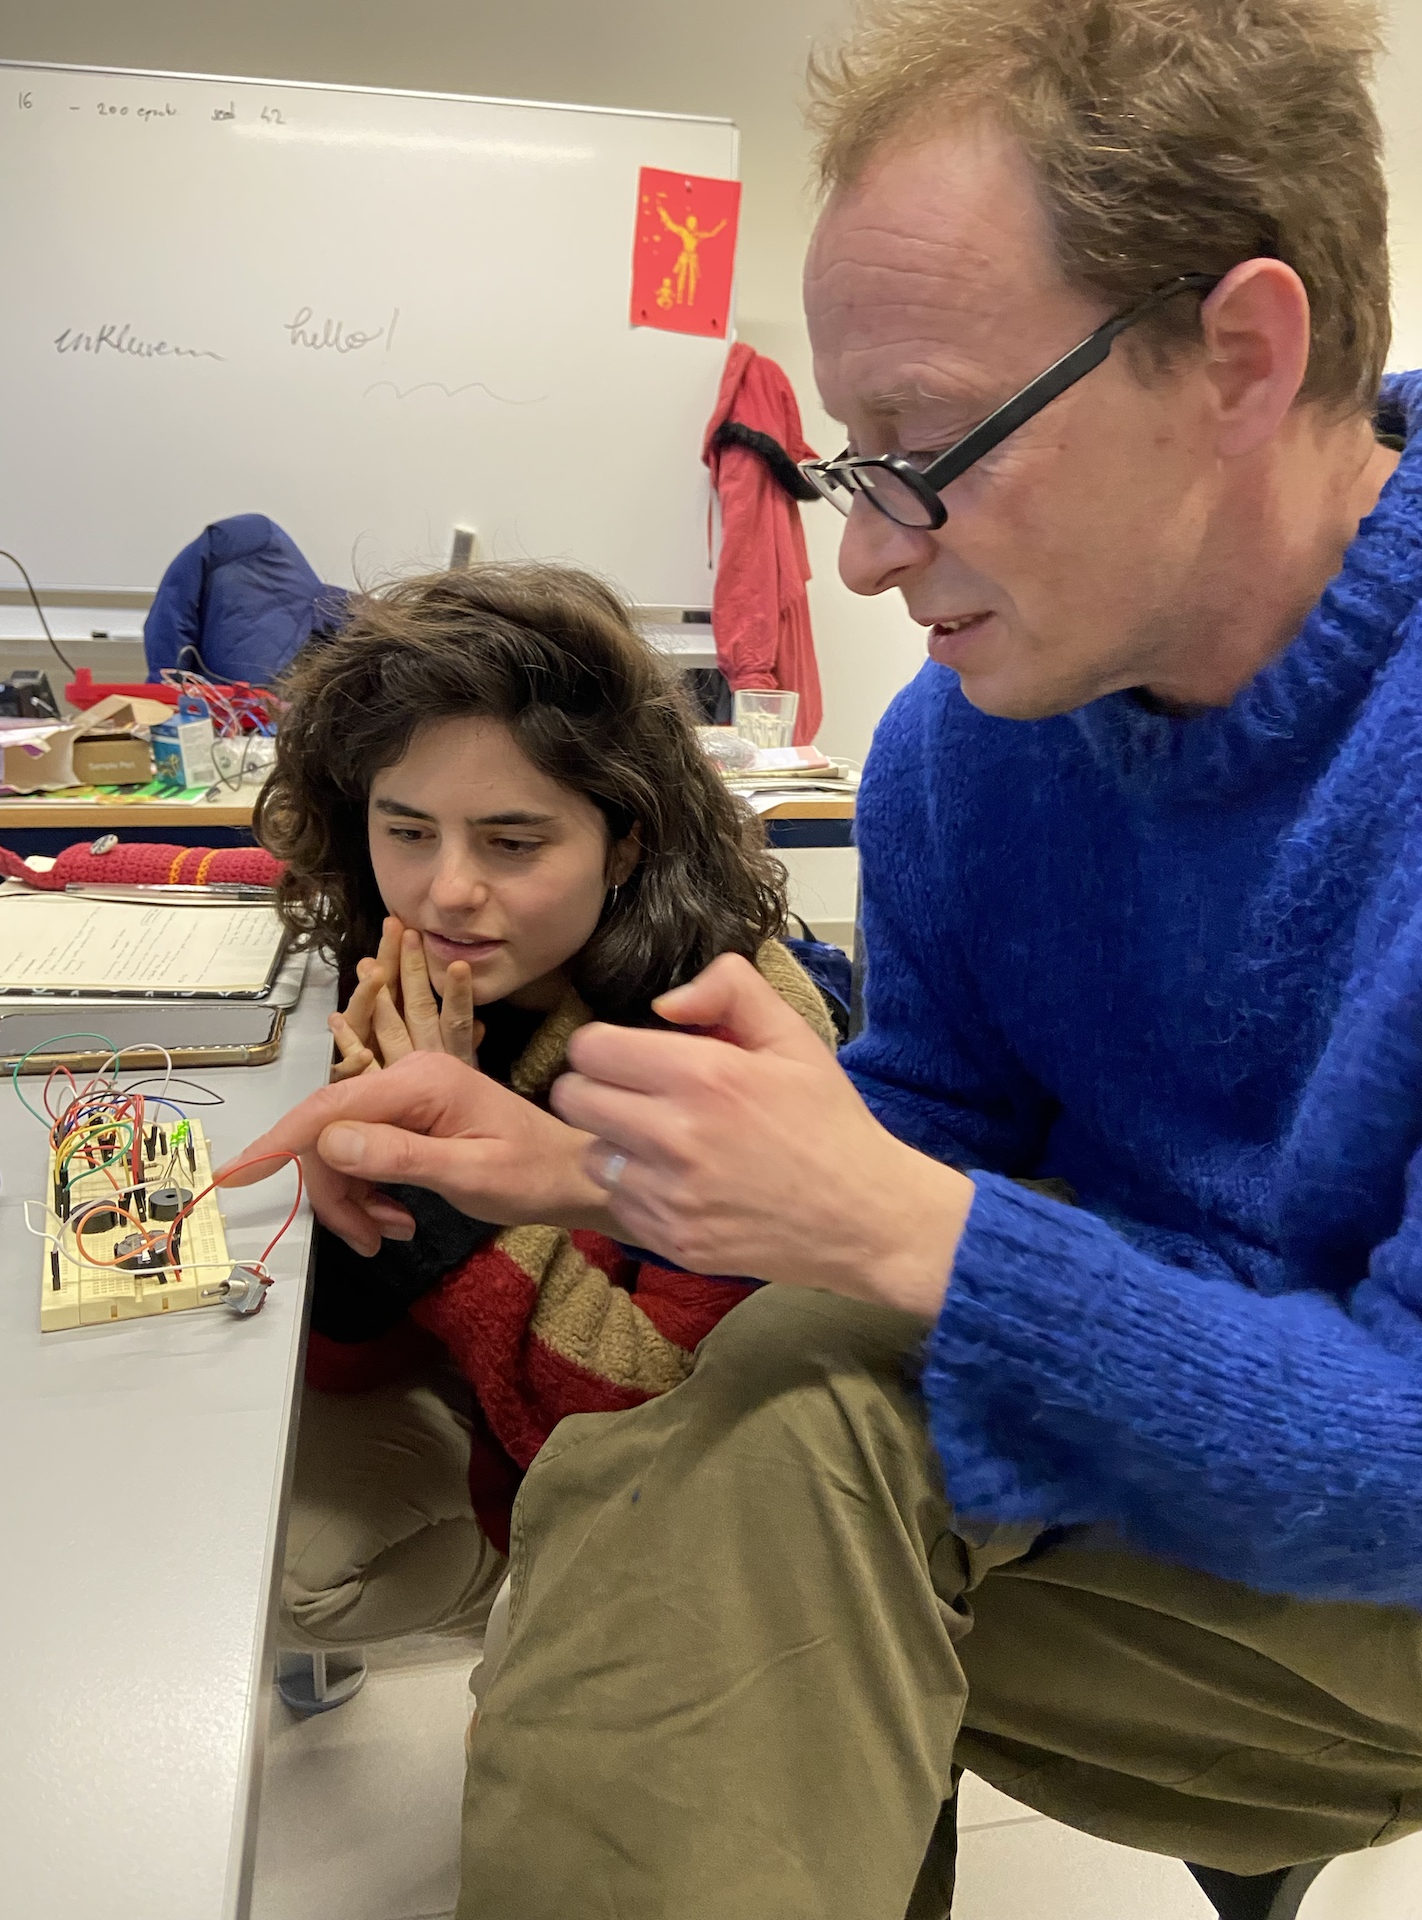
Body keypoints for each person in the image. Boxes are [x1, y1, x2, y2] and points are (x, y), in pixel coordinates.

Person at [227, 1, 1422, 1913]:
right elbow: (919, 1141)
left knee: (754, 1477)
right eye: (850, 467)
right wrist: (587, 1171)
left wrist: (908, 1232)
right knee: (724, 1462)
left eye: (927, 450)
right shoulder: (964, 750)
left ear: (1244, 357)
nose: (862, 562)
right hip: (1098, 1434)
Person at [252, 563, 835, 1689]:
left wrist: (435, 1189)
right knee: (251, 1536)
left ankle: (531, 1611)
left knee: (338, 1579)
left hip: (672, 1474)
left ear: (624, 844)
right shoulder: (397, 962)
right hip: (488, 1379)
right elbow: (345, 1366)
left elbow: (655, 1419)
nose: (445, 892)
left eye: (513, 844)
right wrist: (367, 1194)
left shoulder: (727, 1036)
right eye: (406, 830)